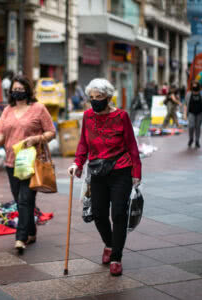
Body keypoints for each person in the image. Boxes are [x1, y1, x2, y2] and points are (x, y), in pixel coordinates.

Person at [67, 78, 141, 276]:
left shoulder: (121, 116)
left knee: (118, 213)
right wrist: (77, 163)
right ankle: (109, 243)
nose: (95, 101)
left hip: (120, 170)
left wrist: (136, 173)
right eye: (91, 98)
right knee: (99, 213)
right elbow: (83, 143)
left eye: (99, 97)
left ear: (108, 98)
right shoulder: (88, 117)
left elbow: (132, 146)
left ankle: (116, 256)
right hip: (98, 171)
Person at [0, 75, 56, 252]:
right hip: (11, 162)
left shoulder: (38, 109)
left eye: (21, 89)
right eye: (15, 89)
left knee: (24, 200)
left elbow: (51, 132)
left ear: (28, 91)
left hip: (31, 162)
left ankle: (20, 238)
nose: (17, 92)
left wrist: (37, 138)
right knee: (20, 199)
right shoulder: (7, 110)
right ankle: (31, 230)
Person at [184, 81, 202, 148]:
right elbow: (185, 104)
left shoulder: (201, 93)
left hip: (199, 113)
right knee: (191, 126)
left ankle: (197, 141)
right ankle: (191, 139)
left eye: (196, 85)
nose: (194, 86)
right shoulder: (189, 94)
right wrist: (184, 114)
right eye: (193, 85)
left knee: (198, 127)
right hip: (191, 113)